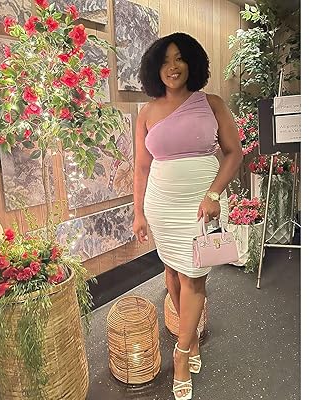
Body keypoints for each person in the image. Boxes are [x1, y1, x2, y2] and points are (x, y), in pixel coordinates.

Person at [133, 32, 243, 399]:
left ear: (192, 62)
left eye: (179, 58)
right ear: (155, 68)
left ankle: (181, 353)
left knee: (194, 276)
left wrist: (214, 193)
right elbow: (141, 168)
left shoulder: (211, 103)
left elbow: (234, 153)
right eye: (165, 61)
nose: (172, 66)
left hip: (199, 204)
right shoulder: (146, 112)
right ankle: (190, 336)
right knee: (172, 272)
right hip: (161, 205)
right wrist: (138, 213)